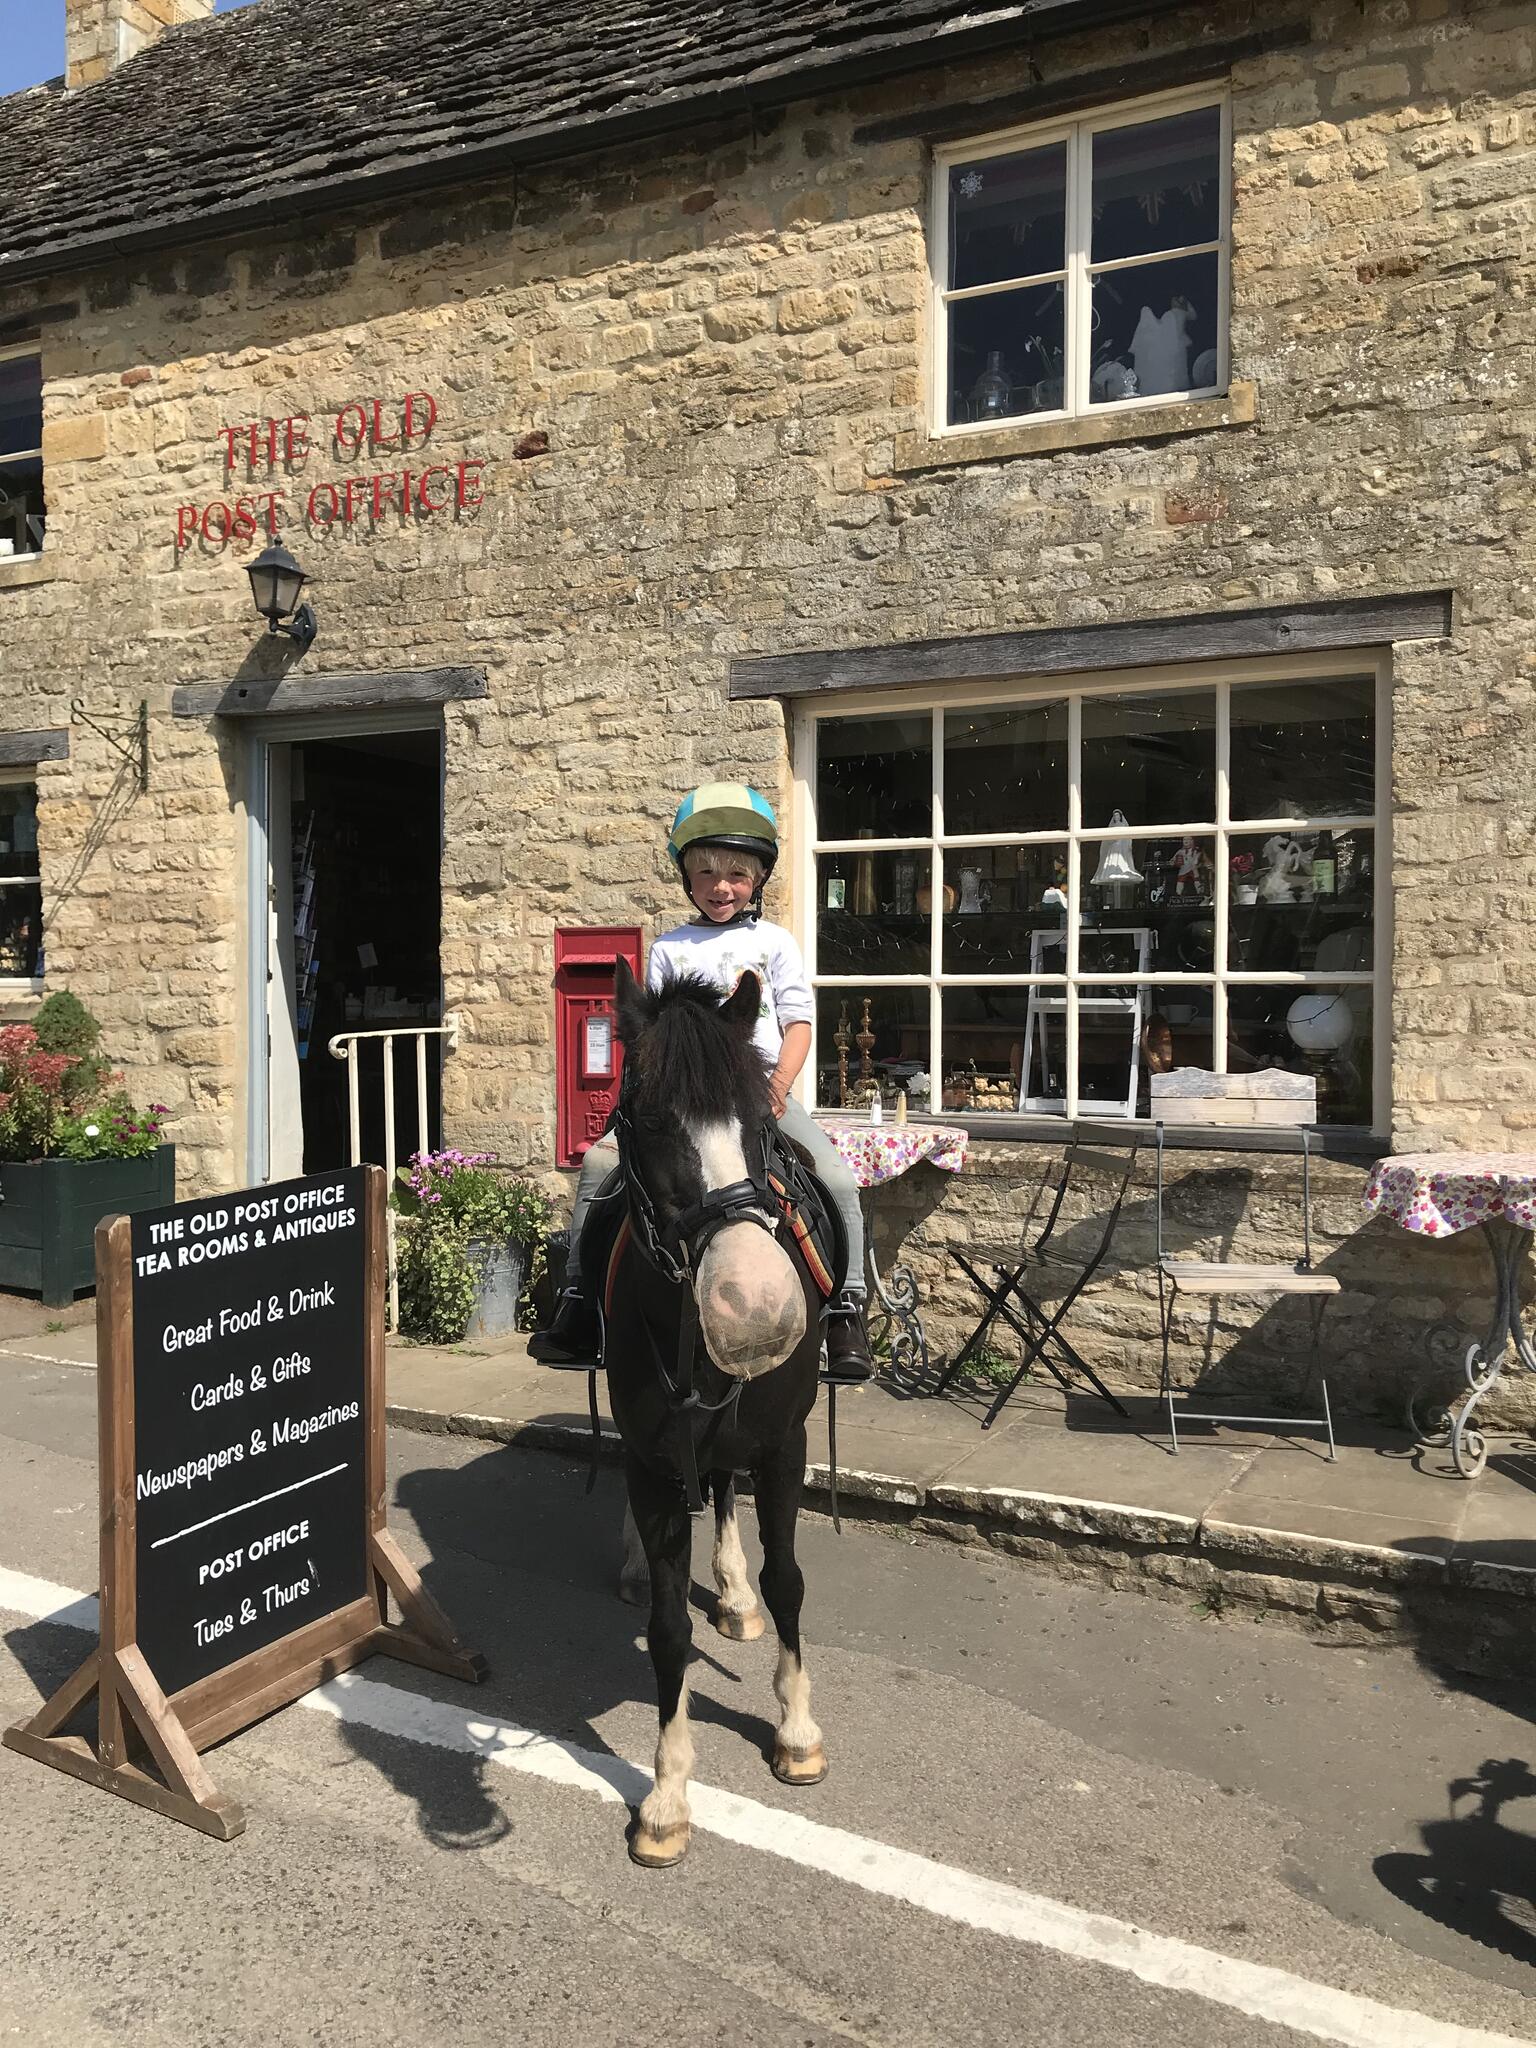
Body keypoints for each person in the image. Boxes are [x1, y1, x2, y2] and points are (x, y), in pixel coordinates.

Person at [532, 782, 874, 1381]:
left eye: (737, 874)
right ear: (687, 877)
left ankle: (846, 1307)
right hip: (682, 1103)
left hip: (757, 1095)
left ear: (758, 879)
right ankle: (580, 1301)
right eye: (707, 872)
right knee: (597, 1169)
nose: (722, 886)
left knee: (838, 1180)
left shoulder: (774, 943)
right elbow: (651, 1034)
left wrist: (778, 1086)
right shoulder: (670, 948)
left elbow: (798, 1024)